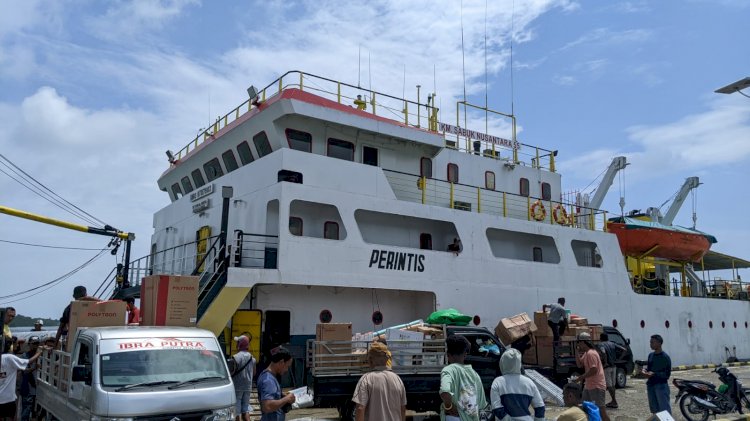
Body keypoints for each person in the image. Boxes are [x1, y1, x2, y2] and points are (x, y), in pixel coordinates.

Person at [352, 342, 407, 421]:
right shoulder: (398, 379)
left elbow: (360, 408)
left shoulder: (366, 379)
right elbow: (403, 409)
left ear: (370, 359)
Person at [439, 334, 486, 421]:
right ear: (465, 354)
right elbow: (482, 405)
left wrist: (449, 407)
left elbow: (445, 391)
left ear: (448, 355)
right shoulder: (475, 375)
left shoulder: (448, 370)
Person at [490, 348, 545, 421]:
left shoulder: (498, 382)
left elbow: (496, 408)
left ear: (502, 363)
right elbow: (540, 407)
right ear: (519, 363)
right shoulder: (529, 382)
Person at [0, 339, 44, 421]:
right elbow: (28, 362)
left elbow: (23, 370)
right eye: (16, 344)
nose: (18, 346)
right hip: (8, 399)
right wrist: (39, 352)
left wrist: (34, 368)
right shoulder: (9, 358)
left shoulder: (6, 359)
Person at [575, 333, 609, 421]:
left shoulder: (591, 353)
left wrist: (580, 378)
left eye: (579, 342)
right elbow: (579, 365)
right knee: (585, 408)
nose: (578, 344)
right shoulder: (586, 354)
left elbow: (594, 370)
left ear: (583, 342)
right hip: (588, 386)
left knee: (601, 411)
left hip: (597, 386)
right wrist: (577, 352)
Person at [257, 346, 295, 421]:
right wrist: (286, 399)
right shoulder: (268, 380)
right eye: (287, 366)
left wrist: (281, 396)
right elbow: (267, 406)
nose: (287, 370)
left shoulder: (270, 377)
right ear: (281, 362)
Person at [643, 334, 671, 415]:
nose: (650, 344)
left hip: (661, 386)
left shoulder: (665, 357)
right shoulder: (651, 355)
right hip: (651, 385)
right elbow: (649, 368)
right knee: (654, 410)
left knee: (664, 410)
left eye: (652, 342)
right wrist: (645, 371)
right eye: (650, 342)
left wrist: (654, 374)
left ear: (659, 343)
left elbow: (667, 375)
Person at [232, 335, 257, 421]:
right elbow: (254, 373)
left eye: (237, 342)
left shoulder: (235, 357)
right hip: (248, 387)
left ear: (240, 344)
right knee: (245, 410)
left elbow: (232, 372)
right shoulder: (252, 358)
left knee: (237, 412)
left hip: (237, 387)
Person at [598, 333, 625, 409]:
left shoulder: (601, 344)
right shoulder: (612, 344)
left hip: (607, 367)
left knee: (609, 385)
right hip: (614, 366)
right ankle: (613, 401)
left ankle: (614, 401)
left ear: (601, 338)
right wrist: (619, 359)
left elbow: (603, 352)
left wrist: (605, 362)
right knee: (612, 385)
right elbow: (624, 350)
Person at [19, 336, 41, 421]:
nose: (35, 345)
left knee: (37, 413)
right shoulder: (24, 356)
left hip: (39, 389)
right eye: (34, 343)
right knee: (26, 412)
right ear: (29, 344)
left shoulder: (42, 356)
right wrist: (34, 368)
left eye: (37, 343)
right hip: (28, 389)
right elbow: (24, 371)